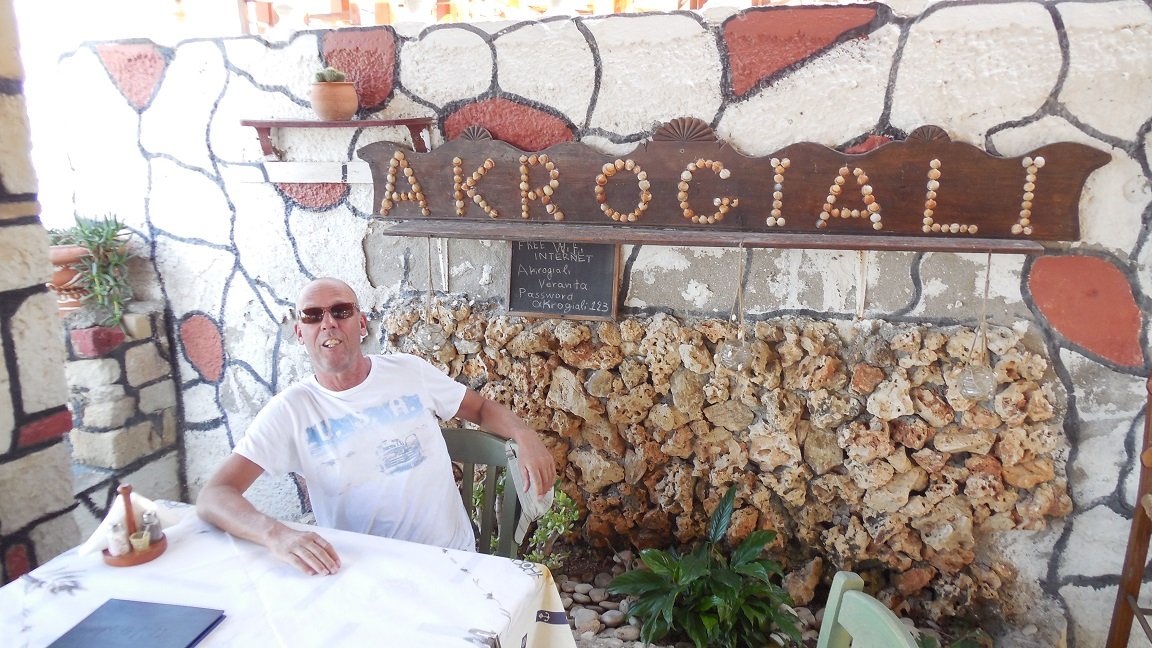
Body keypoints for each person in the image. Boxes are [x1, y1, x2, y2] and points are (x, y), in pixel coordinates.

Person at [196, 277, 557, 576]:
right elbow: (215, 495)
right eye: (312, 315)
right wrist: (277, 535)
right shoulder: (290, 411)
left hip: (450, 561)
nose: (328, 322)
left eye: (341, 311)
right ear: (300, 332)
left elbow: (479, 407)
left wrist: (524, 435)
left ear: (361, 322)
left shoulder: (409, 371)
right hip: (361, 574)